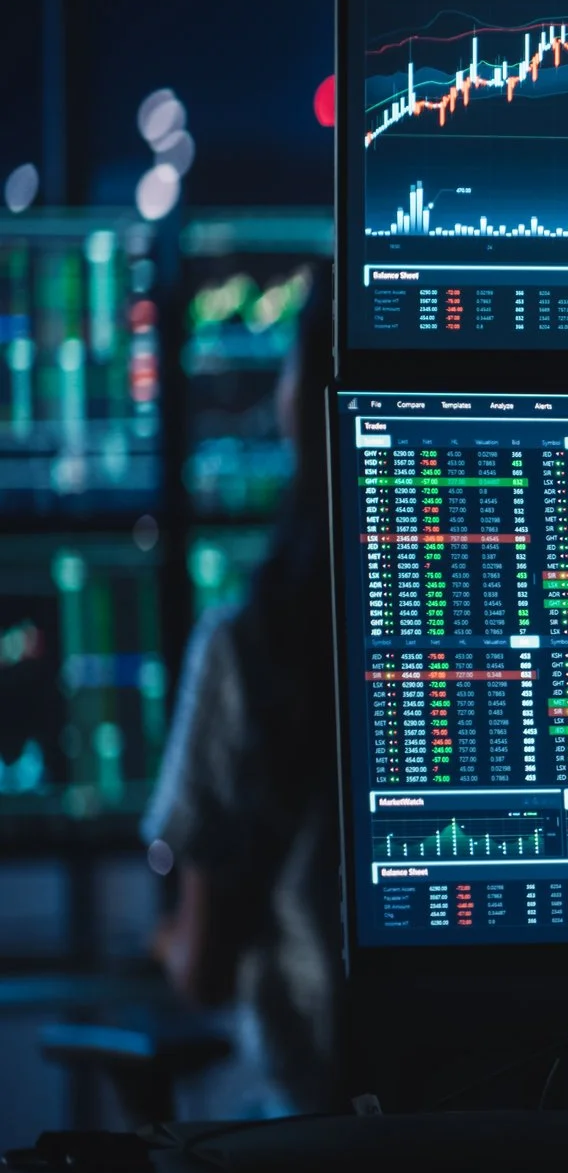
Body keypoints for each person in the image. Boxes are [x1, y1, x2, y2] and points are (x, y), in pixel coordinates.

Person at [147, 270, 344, 1113]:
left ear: (302, 399)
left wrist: (158, 942)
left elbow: (203, 968)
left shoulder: (249, 645)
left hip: (314, 1146)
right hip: (525, 1146)